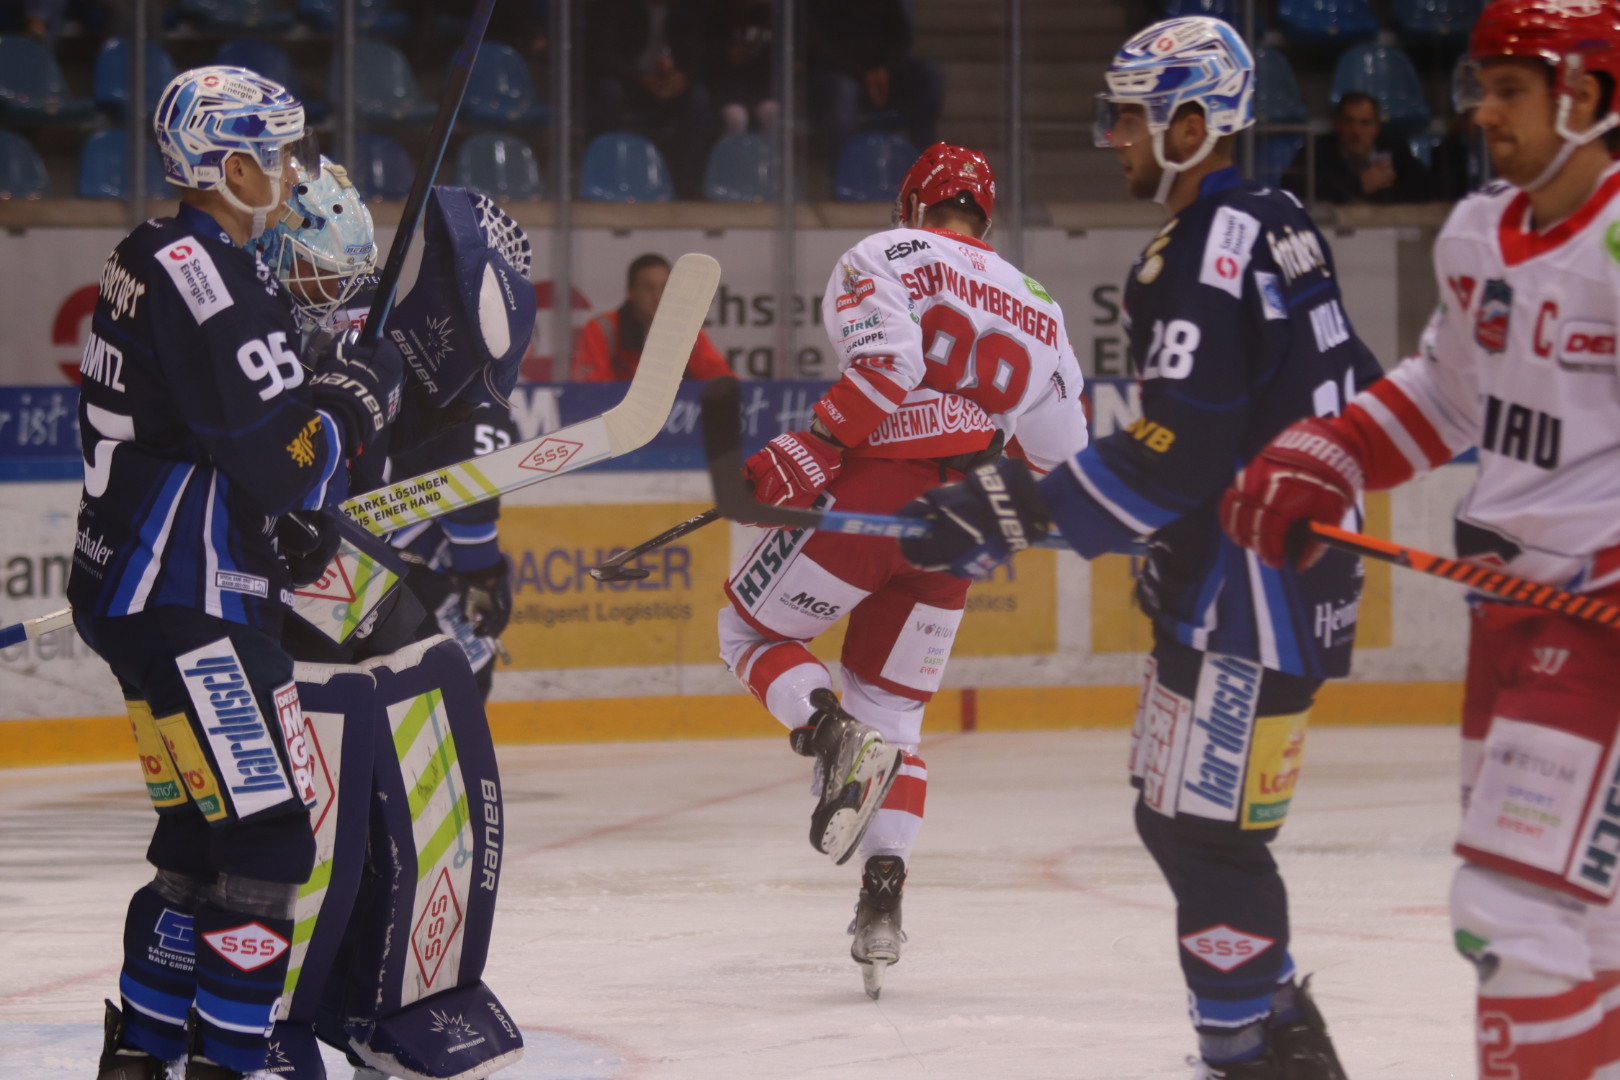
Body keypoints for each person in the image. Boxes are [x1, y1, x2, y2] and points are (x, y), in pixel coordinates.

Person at [895, 17, 1384, 1078]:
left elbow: (1177, 452)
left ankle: (1255, 1053)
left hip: (1249, 592)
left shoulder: (1204, 249)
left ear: (1193, 122)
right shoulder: (1281, 216)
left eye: (1128, 114)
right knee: (1184, 822)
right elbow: (1347, 386)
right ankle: (1271, 1032)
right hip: (1269, 580)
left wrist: (1010, 507)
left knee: (1207, 836)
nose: (1110, 134)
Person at [1220, 2, 1620, 1077]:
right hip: (1515, 620)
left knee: (1511, 915)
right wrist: (1331, 453)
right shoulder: (1477, 233)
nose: (1480, 109)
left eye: (1510, 91)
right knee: (1589, 930)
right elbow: (1447, 399)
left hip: (1597, 633)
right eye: (1478, 86)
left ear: (1587, 99)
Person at [72, 67, 401, 1080]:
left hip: (137, 592)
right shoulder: (207, 274)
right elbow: (277, 454)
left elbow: (210, 440)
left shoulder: (153, 252)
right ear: (235, 164)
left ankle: (143, 1048)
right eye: (283, 155)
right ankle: (234, 1061)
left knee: (199, 831)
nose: (294, 173)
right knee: (265, 843)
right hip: (190, 601)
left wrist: (275, 515)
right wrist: (351, 401)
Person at [717, 142, 1090, 999]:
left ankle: (825, 732)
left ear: (911, 204)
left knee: (750, 629)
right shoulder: (1043, 308)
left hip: (870, 498)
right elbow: (1061, 463)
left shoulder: (885, 254)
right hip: (962, 525)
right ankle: (881, 903)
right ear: (984, 217)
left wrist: (812, 447)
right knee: (898, 718)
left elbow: (888, 368)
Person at [583, 0, 719, 199]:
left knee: (698, 99)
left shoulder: (684, 10)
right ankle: (607, 175)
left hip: (668, 86)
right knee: (609, 92)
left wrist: (684, 77)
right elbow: (600, 55)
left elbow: (701, 54)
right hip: (629, 84)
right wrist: (639, 77)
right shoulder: (618, 7)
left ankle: (686, 181)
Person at [806, 0, 944, 177]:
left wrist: (885, 68)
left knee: (930, 74)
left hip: (884, 75)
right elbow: (817, 48)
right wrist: (863, 74)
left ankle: (927, 165)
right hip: (837, 74)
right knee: (844, 91)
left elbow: (901, 36)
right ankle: (844, 174)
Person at [571, 252, 731, 381]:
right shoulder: (603, 329)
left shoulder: (686, 331)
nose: (658, 296)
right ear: (631, 292)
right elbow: (591, 390)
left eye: (664, 287)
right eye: (648, 288)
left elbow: (721, 380)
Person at [1283, 91, 1431, 205]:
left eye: (1365, 123)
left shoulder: (1394, 147)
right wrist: (1358, 185)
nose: (1356, 132)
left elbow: (1425, 186)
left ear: (1377, 127)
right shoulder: (1319, 149)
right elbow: (1292, 185)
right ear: (1337, 124)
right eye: (1349, 122)